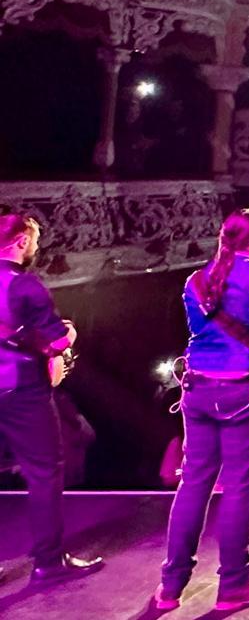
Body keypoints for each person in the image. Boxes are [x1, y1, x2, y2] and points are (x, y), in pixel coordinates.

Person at [155, 208, 249, 611]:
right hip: (245, 389)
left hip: (199, 388)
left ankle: (170, 588)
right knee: (240, 485)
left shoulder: (196, 279)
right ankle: (234, 584)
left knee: (193, 484)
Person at [0, 212, 102, 583]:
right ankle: (48, 562)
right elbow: (57, 341)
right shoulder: (25, 286)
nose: (36, 249)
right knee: (44, 471)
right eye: (35, 242)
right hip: (20, 389)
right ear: (22, 241)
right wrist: (70, 334)